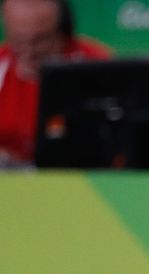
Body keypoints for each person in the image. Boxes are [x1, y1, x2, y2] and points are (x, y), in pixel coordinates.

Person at [0, 0, 110, 165]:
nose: (29, 52)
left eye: (40, 40)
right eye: (18, 40)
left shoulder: (96, 63)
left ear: (63, 31)